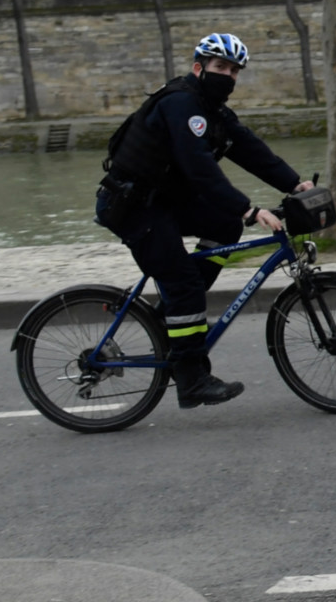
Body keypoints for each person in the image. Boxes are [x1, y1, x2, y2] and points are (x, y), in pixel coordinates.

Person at [94, 34, 314, 409]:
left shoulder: (213, 110)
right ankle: (191, 379)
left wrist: (296, 183)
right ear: (199, 68)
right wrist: (248, 209)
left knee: (223, 227)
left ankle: (175, 318)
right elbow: (199, 167)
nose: (226, 75)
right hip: (133, 207)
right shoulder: (181, 104)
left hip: (162, 201)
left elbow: (250, 149)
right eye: (219, 67)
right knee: (184, 286)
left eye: (232, 70)